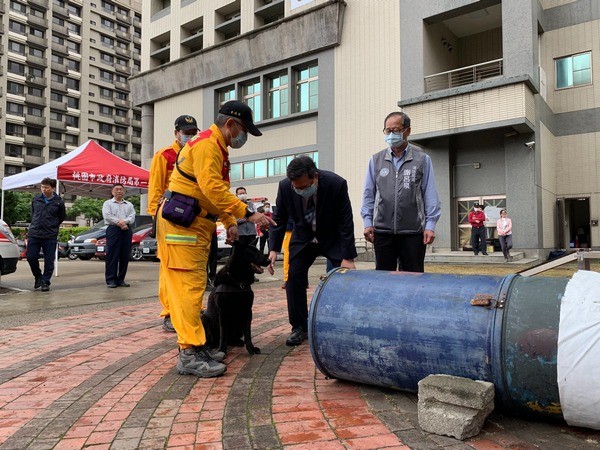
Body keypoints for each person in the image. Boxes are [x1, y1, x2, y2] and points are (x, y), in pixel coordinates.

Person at [156, 100, 275, 378]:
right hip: (181, 227)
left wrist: (229, 221)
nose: (243, 137)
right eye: (243, 130)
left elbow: (215, 189)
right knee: (188, 289)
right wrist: (247, 212)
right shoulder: (208, 145)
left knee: (194, 287)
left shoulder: (216, 147)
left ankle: (197, 347)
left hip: (194, 225)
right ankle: (189, 353)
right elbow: (211, 188)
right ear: (230, 124)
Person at [269, 156, 357, 346]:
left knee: (344, 279)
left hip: (331, 238)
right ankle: (299, 326)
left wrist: (348, 256)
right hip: (303, 238)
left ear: (315, 177)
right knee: (293, 278)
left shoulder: (336, 184)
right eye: (296, 188)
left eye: (303, 186)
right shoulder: (285, 187)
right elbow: (280, 217)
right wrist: (274, 249)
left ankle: (340, 324)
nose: (300, 191)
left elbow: (345, 220)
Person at [361, 111, 441, 272]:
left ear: (407, 131)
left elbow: (430, 193)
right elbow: (369, 194)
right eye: (387, 131)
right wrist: (368, 222)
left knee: (413, 279)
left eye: (396, 130)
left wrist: (430, 225)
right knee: (383, 279)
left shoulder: (422, 160)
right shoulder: (376, 160)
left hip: (413, 232)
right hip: (382, 232)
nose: (391, 134)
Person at [147, 114, 199, 332]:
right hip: (169, 217)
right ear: (176, 132)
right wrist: (154, 217)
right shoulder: (164, 156)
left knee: (190, 268)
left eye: (192, 133)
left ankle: (188, 310)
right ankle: (169, 311)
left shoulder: (197, 153)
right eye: (186, 132)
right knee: (168, 269)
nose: (189, 136)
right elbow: (155, 188)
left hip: (191, 218)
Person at [26, 177, 66, 292]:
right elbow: (33, 214)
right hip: (34, 233)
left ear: (53, 188)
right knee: (31, 257)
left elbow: (61, 217)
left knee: (49, 260)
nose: (44, 189)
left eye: (47, 187)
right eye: (42, 187)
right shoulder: (36, 199)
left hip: (49, 235)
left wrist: (51, 226)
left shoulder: (58, 202)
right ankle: (38, 276)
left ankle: (45, 281)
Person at [102, 183, 136, 288]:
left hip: (126, 230)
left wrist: (124, 222)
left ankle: (121, 279)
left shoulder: (129, 204)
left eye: (121, 189)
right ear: (112, 192)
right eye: (116, 189)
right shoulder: (108, 203)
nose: (119, 191)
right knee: (112, 255)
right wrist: (119, 223)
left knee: (124, 255)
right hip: (113, 230)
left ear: (124, 191)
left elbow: (132, 216)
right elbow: (107, 216)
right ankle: (111, 280)